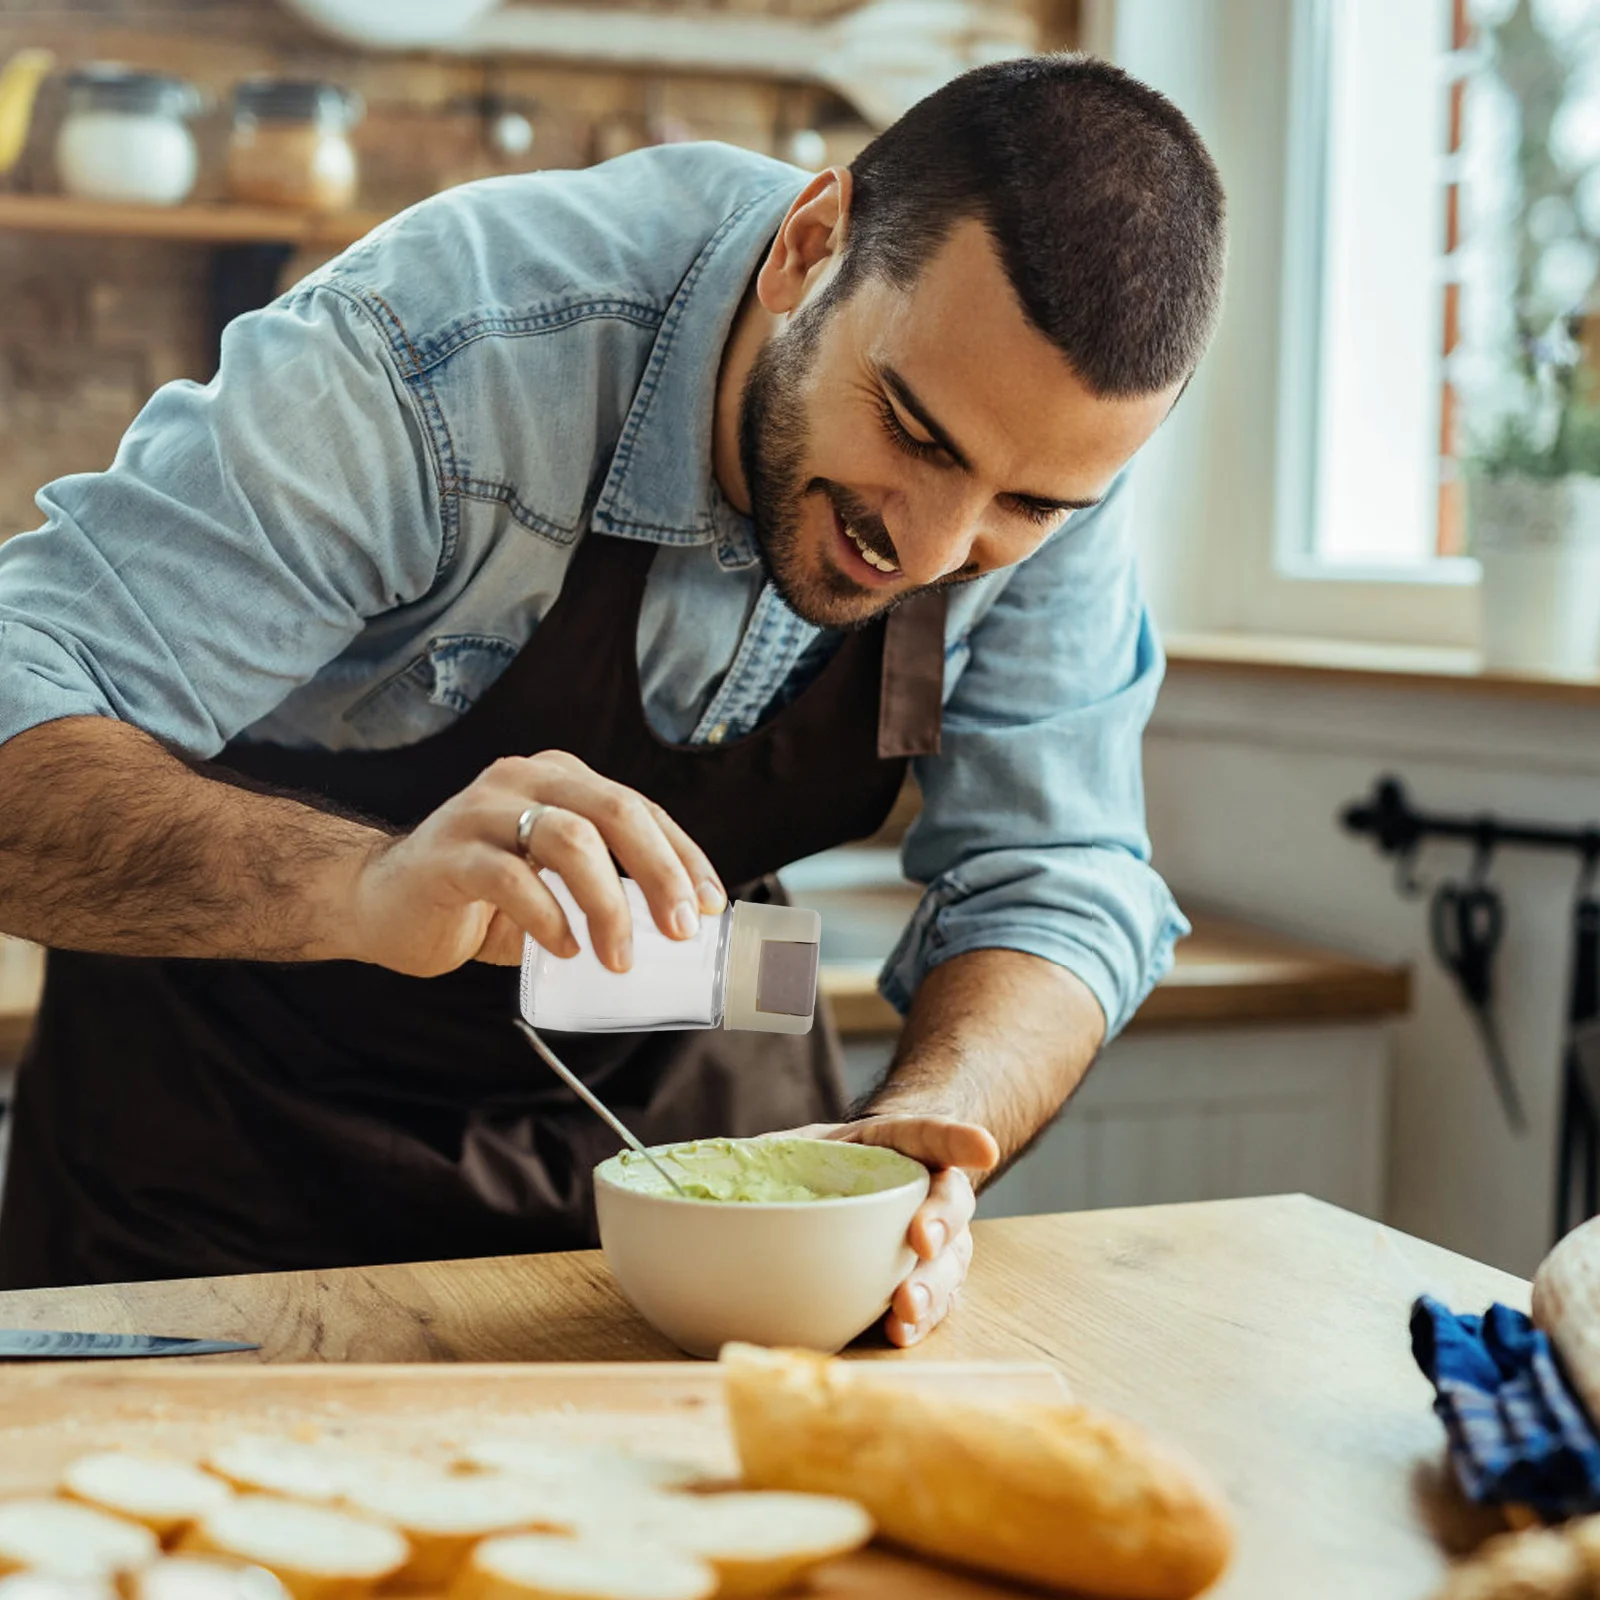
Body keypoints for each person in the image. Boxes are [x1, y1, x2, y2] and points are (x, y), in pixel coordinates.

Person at [0, 53, 1225, 1344]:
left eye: (1024, 506)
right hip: (225, 1178)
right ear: (811, 247)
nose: (933, 550)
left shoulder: (1041, 438)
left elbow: (1060, 873)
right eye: (916, 436)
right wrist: (363, 887)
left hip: (681, 1191)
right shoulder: (440, 356)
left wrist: (921, 1141)